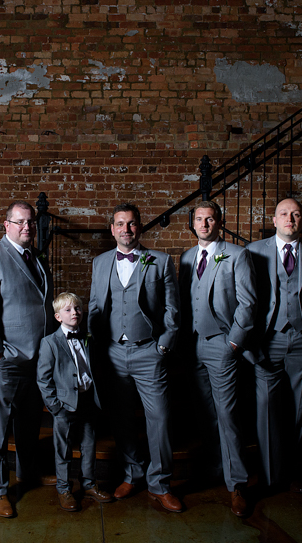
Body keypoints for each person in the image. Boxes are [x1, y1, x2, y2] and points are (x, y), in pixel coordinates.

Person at [88, 203, 183, 512]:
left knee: (161, 419)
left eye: (131, 224)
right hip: (113, 352)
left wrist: (163, 347)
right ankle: (133, 473)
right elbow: (94, 307)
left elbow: (173, 309)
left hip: (148, 351)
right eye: (119, 224)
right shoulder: (100, 262)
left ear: (139, 228)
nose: (125, 229)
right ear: (112, 229)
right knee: (121, 419)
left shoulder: (160, 261)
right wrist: (95, 349)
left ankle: (160, 483)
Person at [0, 200, 56, 518]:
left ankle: (28, 471)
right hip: (5, 358)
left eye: (31, 222)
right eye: (19, 222)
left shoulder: (37, 257)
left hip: (37, 356)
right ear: (6, 225)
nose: (26, 227)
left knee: (30, 421)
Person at [247, 198, 302, 492]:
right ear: (274, 220)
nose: (290, 218)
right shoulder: (254, 251)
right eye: (284, 214)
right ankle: (270, 476)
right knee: (266, 410)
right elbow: (246, 299)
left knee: (301, 411)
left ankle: (296, 470)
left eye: (296, 214)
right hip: (267, 341)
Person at [178, 200, 257, 516]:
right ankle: (214, 469)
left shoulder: (238, 254)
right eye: (199, 219)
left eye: (210, 219)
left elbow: (248, 304)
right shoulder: (186, 258)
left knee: (228, 415)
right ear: (192, 223)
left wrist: (233, 344)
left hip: (221, 346)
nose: (204, 224)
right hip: (192, 346)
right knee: (205, 413)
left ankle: (237, 483)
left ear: (219, 222)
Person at [36, 292, 114, 512]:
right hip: (64, 404)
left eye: (78, 308)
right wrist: (55, 407)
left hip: (88, 399)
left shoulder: (87, 337)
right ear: (58, 316)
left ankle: (88, 484)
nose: (75, 313)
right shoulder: (49, 343)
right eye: (68, 310)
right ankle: (64, 488)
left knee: (89, 445)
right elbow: (43, 378)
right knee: (63, 449)